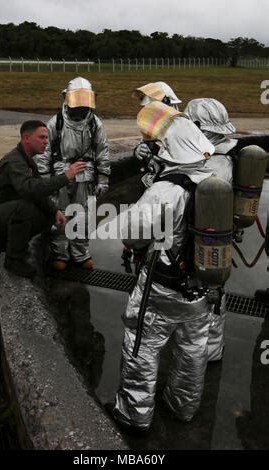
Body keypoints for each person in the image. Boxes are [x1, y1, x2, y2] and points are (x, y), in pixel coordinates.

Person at [113, 101, 215, 432]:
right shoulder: (214, 180)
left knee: (141, 345)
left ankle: (133, 414)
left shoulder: (167, 189)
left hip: (162, 287)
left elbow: (132, 233)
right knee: (192, 350)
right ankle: (183, 405)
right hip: (201, 288)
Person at [0, 120, 86, 279]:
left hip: (3, 211)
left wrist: (55, 211)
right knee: (24, 208)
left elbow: (37, 194)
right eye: (41, 137)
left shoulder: (27, 160)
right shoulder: (15, 161)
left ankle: (4, 241)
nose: (46, 142)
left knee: (46, 215)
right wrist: (65, 177)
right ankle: (14, 260)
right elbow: (29, 189)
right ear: (26, 139)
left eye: (47, 138)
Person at [35, 77, 110, 270]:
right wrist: (45, 181)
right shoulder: (55, 123)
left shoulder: (95, 124)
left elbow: (102, 151)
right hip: (60, 177)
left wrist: (103, 179)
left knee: (83, 215)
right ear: (67, 98)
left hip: (85, 176)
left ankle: (80, 253)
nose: (81, 107)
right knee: (59, 213)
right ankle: (60, 253)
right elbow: (43, 153)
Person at [184, 98, 238, 361]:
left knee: (207, 292)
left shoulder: (212, 163)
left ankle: (207, 351)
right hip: (218, 236)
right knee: (214, 290)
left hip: (205, 236)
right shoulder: (225, 154)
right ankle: (211, 348)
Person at [133, 82, 182, 184]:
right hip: (152, 180)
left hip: (174, 184)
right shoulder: (154, 125)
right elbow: (145, 143)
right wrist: (139, 150)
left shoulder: (181, 127)